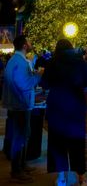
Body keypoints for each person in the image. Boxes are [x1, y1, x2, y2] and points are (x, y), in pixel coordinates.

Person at [41, 39, 87, 186]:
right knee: (77, 142)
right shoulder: (79, 61)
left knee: (57, 142)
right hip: (75, 106)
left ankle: (61, 177)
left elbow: (44, 83)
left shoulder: (52, 62)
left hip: (57, 106)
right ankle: (81, 178)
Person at [2, 34, 44, 184]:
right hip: (20, 106)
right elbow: (24, 84)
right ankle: (16, 171)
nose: (31, 42)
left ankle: (21, 165)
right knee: (20, 138)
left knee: (22, 136)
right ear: (25, 45)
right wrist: (38, 76)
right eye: (30, 41)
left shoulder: (16, 60)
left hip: (18, 105)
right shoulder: (19, 62)